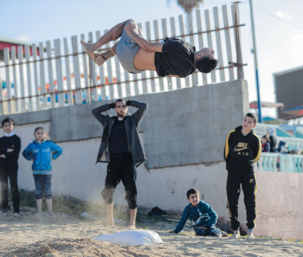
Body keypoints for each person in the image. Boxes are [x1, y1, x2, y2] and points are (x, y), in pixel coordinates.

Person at [81, 19, 218, 78]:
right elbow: (167, 73)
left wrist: (131, 31)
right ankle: (102, 58)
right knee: (130, 38)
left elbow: (147, 46)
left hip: (131, 54)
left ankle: (93, 47)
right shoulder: (188, 70)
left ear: (200, 56)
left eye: (211, 54)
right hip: (133, 68)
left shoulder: (181, 48)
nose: (212, 51)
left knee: (131, 24)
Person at [92, 99, 148, 228]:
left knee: (131, 192)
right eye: (118, 107)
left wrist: (130, 102)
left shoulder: (132, 120)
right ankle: (110, 221)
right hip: (114, 162)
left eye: (124, 107)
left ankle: (132, 223)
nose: (121, 109)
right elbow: (95, 111)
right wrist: (109, 106)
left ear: (127, 108)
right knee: (107, 191)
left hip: (128, 161)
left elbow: (144, 106)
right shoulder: (109, 121)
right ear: (115, 109)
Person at [224, 113, 261, 239]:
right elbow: (226, 153)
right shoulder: (232, 134)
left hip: (248, 173)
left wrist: (246, 164)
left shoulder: (255, 139)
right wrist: (233, 166)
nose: (246, 123)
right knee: (232, 202)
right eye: (245, 120)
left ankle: (250, 231)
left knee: (250, 201)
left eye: (250, 122)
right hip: (233, 173)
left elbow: (256, 156)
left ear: (254, 125)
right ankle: (235, 231)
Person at [22, 127, 63, 216]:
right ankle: (39, 212)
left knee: (47, 190)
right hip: (36, 172)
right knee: (38, 191)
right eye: (38, 133)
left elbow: (60, 150)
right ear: (34, 135)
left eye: (41, 133)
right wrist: (30, 158)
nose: (40, 134)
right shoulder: (32, 145)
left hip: (47, 172)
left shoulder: (49, 144)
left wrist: (53, 157)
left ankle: (50, 212)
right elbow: (24, 153)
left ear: (45, 134)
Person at [0, 118, 21, 217]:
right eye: (5, 125)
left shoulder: (17, 139)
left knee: (14, 188)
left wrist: (4, 154)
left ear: (13, 126)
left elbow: (16, 153)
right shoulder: (1, 140)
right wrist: (7, 150)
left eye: (9, 125)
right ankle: (4, 209)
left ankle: (16, 211)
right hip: (2, 167)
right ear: (3, 127)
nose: (8, 127)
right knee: (3, 188)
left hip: (13, 167)